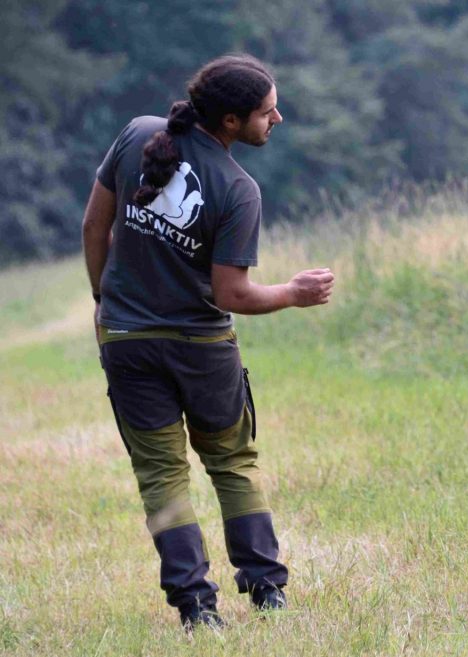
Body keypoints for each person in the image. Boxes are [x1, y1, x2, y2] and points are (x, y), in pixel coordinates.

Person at [81, 54, 334, 631]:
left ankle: (197, 608)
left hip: (127, 342)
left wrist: (105, 301)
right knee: (233, 462)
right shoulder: (238, 189)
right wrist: (293, 293)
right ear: (229, 121)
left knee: (162, 478)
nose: (278, 120)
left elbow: (96, 225)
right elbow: (233, 293)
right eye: (267, 112)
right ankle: (268, 591)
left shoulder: (136, 134)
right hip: (202, 349)